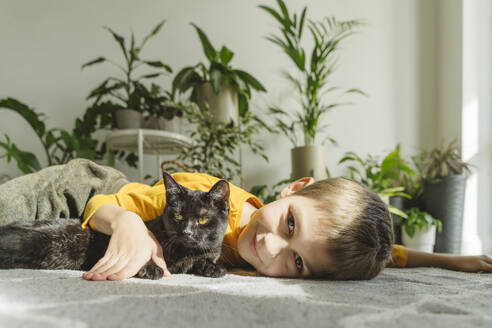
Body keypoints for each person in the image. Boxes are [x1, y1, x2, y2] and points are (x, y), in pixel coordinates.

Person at [79, 165, 492, 281]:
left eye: (297, 264)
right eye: (290, 224)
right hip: (88, 181)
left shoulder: (319, 249)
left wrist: (453, 262)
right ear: (294, 189)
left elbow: (392, 257)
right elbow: (107, 201)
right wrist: (128, 224)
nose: (272, 247)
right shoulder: (205, 193)